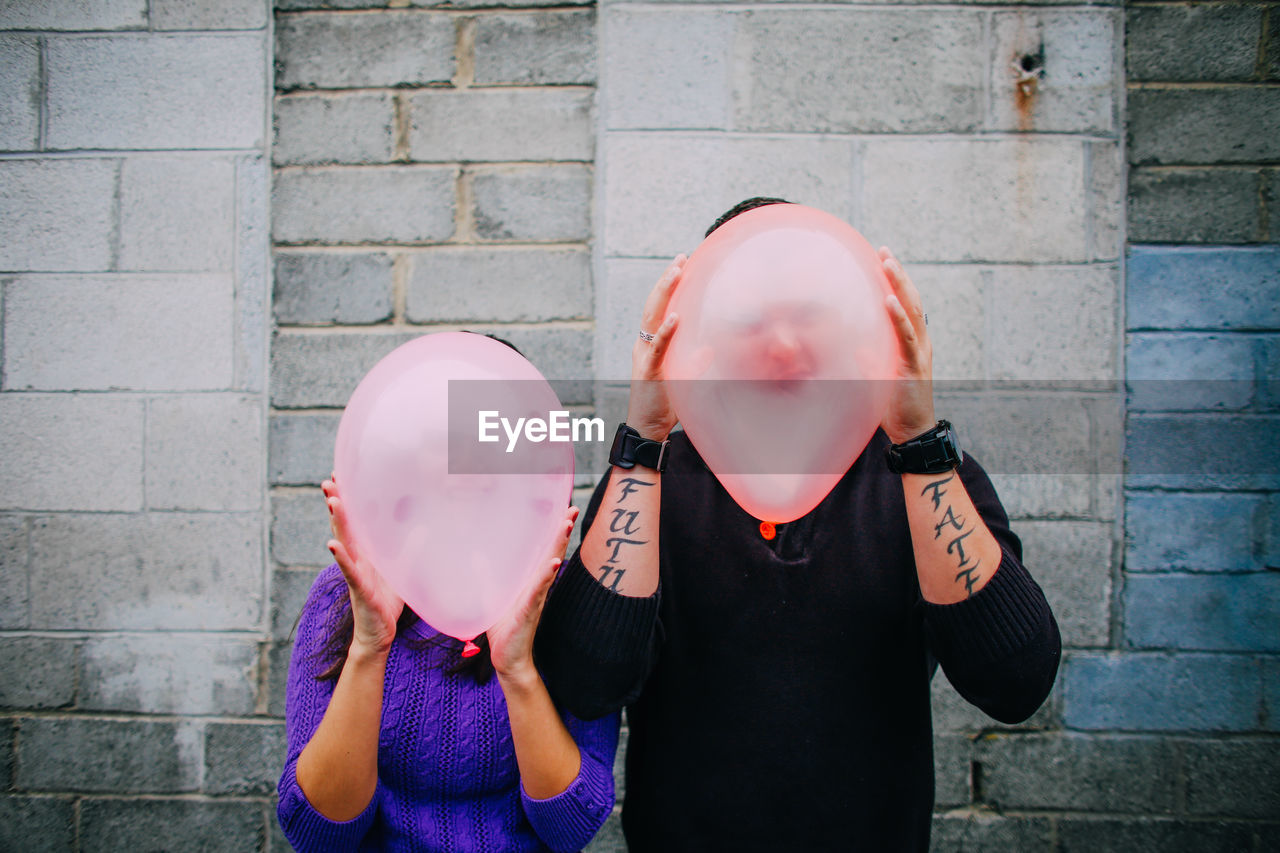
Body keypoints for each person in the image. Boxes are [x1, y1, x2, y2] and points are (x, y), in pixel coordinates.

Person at [534, 198, 1061, 851]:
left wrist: (919, 441)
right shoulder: (654, 479)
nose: (782, 344)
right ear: (703, 331)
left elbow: (1016, 682)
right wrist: (642, 437)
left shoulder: (920, 472)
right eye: (751, 319)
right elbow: (586, 681)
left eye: (809, 316)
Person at [278, 476, 619, 853]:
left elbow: (571, 827)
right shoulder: (345, 594)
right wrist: (369, 646)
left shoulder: (570, 602)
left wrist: (516, 669)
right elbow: (317, 834)